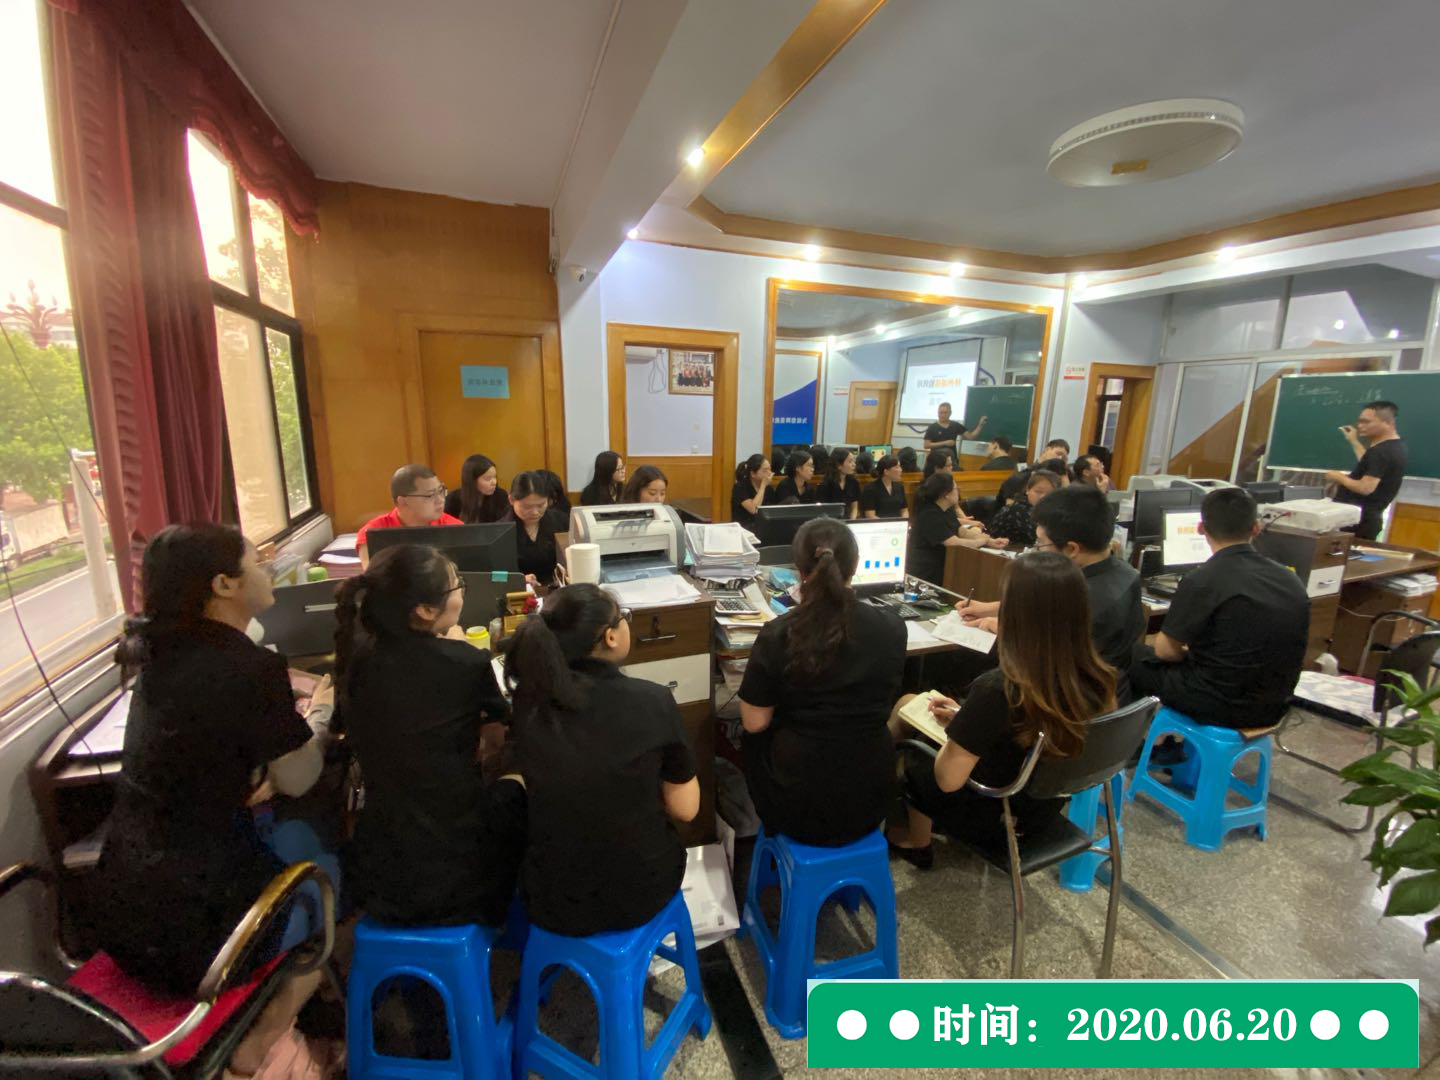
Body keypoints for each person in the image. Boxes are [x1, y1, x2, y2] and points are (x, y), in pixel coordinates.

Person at [96, 525, 338, 1071]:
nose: (267, 569)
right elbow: (301, 777)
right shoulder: (249, 668)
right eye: (256, 561)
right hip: (198, 942)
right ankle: (260, 1042)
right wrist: (321, 711)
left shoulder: (154, 656)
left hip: (119, 917)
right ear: (224, 584)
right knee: (328, 872)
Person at [888, 552, 1116, 867]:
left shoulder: (999, 688)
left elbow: (947, 779)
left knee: (912, 734)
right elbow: (1022, 732)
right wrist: (966, 719)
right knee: (912, 703)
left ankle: (917, 842)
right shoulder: (1096, 678)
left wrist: (945, 737)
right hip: (1041, 810)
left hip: (992, 812)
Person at [335, 544, 522, 928]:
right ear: (424, 610)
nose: (462, 593)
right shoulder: (465, 662)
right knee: (519, 777)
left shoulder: (357, 661)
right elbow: (495, 741)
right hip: (460, 875)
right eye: (457, 586)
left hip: (381, 869)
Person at [503, 584, 699, 936]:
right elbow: (685, 809)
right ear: (610, 637)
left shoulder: (527, 701)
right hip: (641, 891)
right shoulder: (652, 701)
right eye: (624, 618)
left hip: (553, 894)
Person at [739, 519, 907, 846]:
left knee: (749, 736)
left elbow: (754, 722)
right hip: (872, 798)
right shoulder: (892, 627)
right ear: (855, 566)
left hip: (797, 807)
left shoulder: (778, 633)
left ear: (798, 570)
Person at [1131, 488, 1309, 730]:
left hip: (1221, 706)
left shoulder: (1203, 579)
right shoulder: (1289, 578)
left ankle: (1132, 740)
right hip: (1275, 705)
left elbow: (1165, 652)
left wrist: (1191, 654)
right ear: (1256, 528)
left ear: (1201, 528)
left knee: (1130, 656)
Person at [960, 484, 1145, 702]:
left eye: (1041, 544)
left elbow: (1043, 659)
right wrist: (989, 608)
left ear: (1072, 549)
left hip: (1065, 704)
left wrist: (1006, 630)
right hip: (1109, 696)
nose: (1036, 550)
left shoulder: (1081, 603)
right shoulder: (1125, 573)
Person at [1325, 400, 1407, 541]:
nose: (1360, 426)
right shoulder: (1393, 446)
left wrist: (1338, 477)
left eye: (1366, 422)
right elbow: (1370, 463)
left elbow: (1366, 488)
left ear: (1387, 423)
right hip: (1364, 520)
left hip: (1357, 524)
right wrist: (1354, 441)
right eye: (1360, 421)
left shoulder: (1381, 452)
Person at [908, 472, 1007, 586]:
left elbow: (962, 531)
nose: (958, 491)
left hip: (944, 566)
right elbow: (952, 542)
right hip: (926, 572)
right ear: (946, 494)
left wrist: (990, 541)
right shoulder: (929, 514)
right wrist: (980, 541)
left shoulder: (947, 509)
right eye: (956, 488)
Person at [357, 464, 462, 567]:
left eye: (441, 491)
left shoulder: (456, 528)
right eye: (430, 495)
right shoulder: (373, 534)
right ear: (403, 501)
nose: (441, 500)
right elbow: (372, 576)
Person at [506, 470, 568, 585]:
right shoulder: (502, 530)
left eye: (541, 505)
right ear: (511, 500)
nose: (535, 512)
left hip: (556, 587)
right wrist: (517, 579)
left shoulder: (561, 521)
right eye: (527, 507)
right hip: (520, 591)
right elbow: (494, 575)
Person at [983, 468, 1060, 547]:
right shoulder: (1017, 510)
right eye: (1038, 492)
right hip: (998, 550)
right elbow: (1041, 539)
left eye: (1049, 493)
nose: (1043, 497)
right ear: (1027, 490)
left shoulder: (1050, 510)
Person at [997, 439, 1070, 508]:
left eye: (1064, 458)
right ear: (1047, 450)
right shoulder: (1023, 475)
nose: (1060, 458)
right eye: (1058, 454)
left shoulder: (1062, 477)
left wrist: (1063, 472)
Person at [446, 454, 510, 524]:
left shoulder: (501, 496)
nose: (494, 482)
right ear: (472, 480)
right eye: (488, 478)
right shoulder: (453, 500)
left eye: (495, 477)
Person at [815, 447, 862, 519]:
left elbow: (854, 507)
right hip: (830, 522)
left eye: (854, 461)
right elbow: (821, 511)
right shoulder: (825, 485)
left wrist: (852, 521)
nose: (854, 464)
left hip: (848, 521)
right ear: (839, 465)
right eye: (850, 461)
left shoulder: (853, 482)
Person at [731, 453, 774, 528]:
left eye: (769, 469)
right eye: (765, 470)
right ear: (753, 474)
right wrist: (763, 486)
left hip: (763, 526)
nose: (769, 473)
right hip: (744, 528)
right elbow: (754, 509)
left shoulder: (769, 489)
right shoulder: (740, 487)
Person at [860, 454, 909, 519]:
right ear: (886, 472)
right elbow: (870, 515)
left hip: (898, 523)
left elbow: (904, 510)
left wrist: (903, 521)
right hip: (879, 524)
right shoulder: (870, 489)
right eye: (897, 467)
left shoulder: (899, 487)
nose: (901, 470)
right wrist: (887, 524)